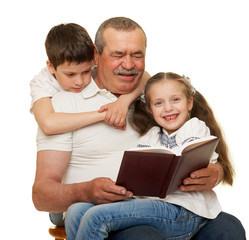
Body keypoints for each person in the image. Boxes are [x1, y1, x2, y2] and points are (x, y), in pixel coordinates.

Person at [32, 17, 246, 239]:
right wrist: (86, 191)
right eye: (118, 55)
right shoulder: (64, 104)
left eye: (137, 55)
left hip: (166, 208)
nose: (128, 64)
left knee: (229, 228)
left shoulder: (159, 98)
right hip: (106, 217)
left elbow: (203, 147)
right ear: (96, 54)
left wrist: (215, 172)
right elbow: (41, 195)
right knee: (143, 236)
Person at [63, 72, 227, 239]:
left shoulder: (194, 127)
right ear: (149, 109)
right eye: (158, 103)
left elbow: (193, 156)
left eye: (175, 100)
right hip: (150, 206)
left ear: (190, 102)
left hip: (183, 211)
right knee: (75, 211)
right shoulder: (151, 136)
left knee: (96, 217)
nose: (168, 108)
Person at [30, 23, 150, 135]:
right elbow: (48, 125)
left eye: (86, 72)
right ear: (51, 67)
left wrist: (122, 102)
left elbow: (144, 76)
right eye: (70, 75)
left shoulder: (90, 59)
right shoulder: (42, 82)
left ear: (94, 55)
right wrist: (105, 115)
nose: (79, 82)